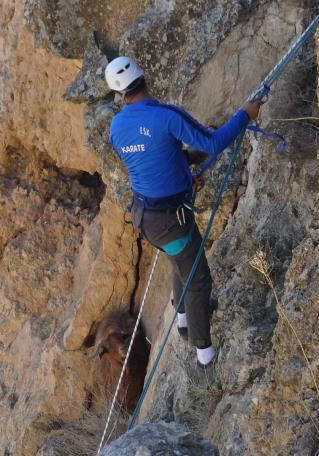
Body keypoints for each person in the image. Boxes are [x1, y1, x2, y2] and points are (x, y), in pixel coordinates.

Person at [105, 56, 262, 370]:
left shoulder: (117, 127)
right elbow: (213, 143)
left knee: (179, 260)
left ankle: (183, 320)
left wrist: (184, 171)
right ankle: (204, 354)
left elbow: (153, 159)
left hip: (146, 217)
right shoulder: (166, 116)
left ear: (119, 94)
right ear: (144, 76)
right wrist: (245, 115)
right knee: (199, 278)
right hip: (170, 218)